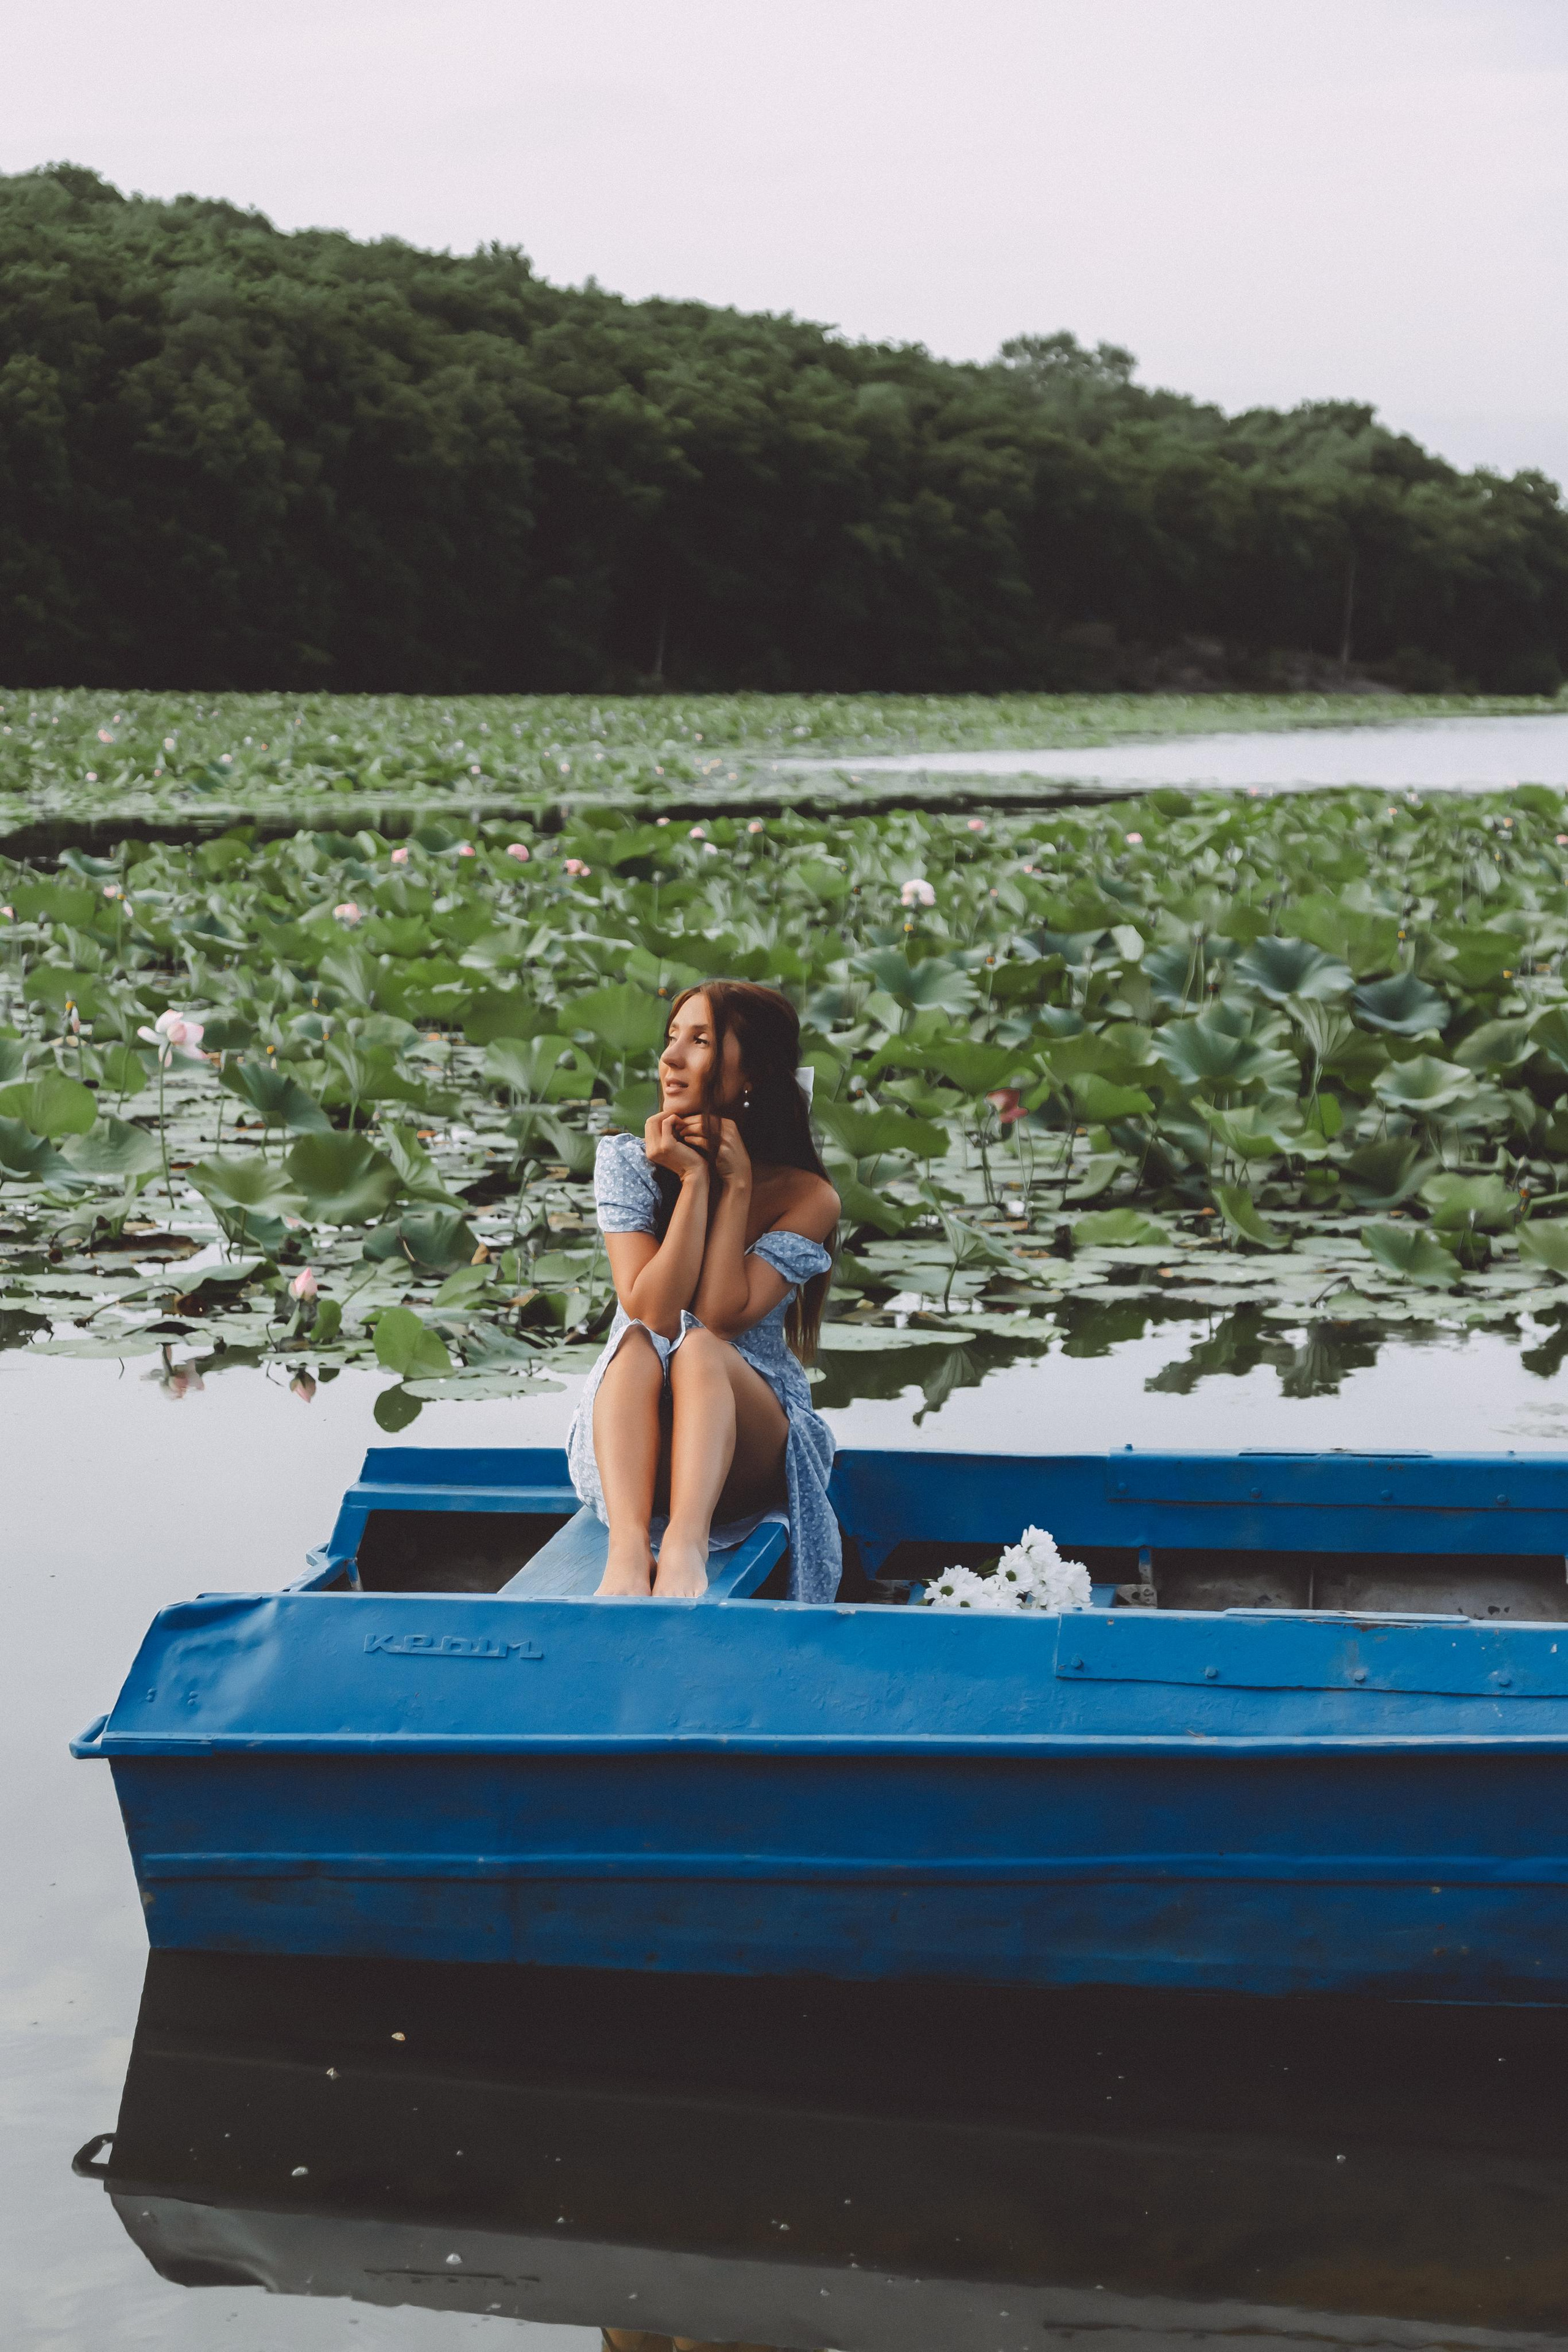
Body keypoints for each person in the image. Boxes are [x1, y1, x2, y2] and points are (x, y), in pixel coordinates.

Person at [565, 981, 841, 1600]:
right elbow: (653, 1309)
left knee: (699, 1349)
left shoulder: (807, 1196)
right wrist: (691, 1183)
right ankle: (629, 1551)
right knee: (638, 1342)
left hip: (746, 1441)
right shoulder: (629, 1161)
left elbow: (720, 1316)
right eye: (671, 1039)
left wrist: (734, 1185)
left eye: (700, 1042)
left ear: (754, 1075)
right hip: (629, 1446)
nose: (670, 1059)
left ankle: (686, 1546)